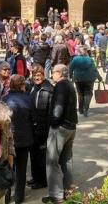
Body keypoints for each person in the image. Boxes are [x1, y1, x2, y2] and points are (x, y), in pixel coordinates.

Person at [42, 63, 78, 204]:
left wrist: (53, 121)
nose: (52, 74)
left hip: (61, 128)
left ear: (60, 73)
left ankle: (56, 195)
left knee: (52, 162)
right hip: (71, 127)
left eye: (53, 72)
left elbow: (58, 107)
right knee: (66, 160)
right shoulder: (69, 84)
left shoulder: (61, 86)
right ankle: (69, 192)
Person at [4, 75, 33, 204]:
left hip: (9, 139)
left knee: (8, 168)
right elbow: (33, 119)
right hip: (24, 139)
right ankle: (18, 198)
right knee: (21, 170)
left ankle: (6, 196)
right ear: (22, 85)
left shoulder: (5, 99)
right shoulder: (28, 99)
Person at [28, 64, 54, 190]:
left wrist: (47, 131)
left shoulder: (48, 90)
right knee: (33, 155)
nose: (37, 77)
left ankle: (42, 180)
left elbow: (50, 113)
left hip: (43, 129)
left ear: (43, 75)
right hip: (34, 128)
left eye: (39, 75)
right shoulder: (34, 87)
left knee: (41, 156)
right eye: (34, 75)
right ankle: (35, 177)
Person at [69, 47, 102, 117]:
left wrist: (70, 76)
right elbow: (94, 69)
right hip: (89, 79)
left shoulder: (75, 59)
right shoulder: (90, 59)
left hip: (78, 79)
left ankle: (80, 109)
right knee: (88, 93)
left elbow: (71, 68)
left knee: (80, 94)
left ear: (79, 52)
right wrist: (99, 77)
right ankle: (86, 109)